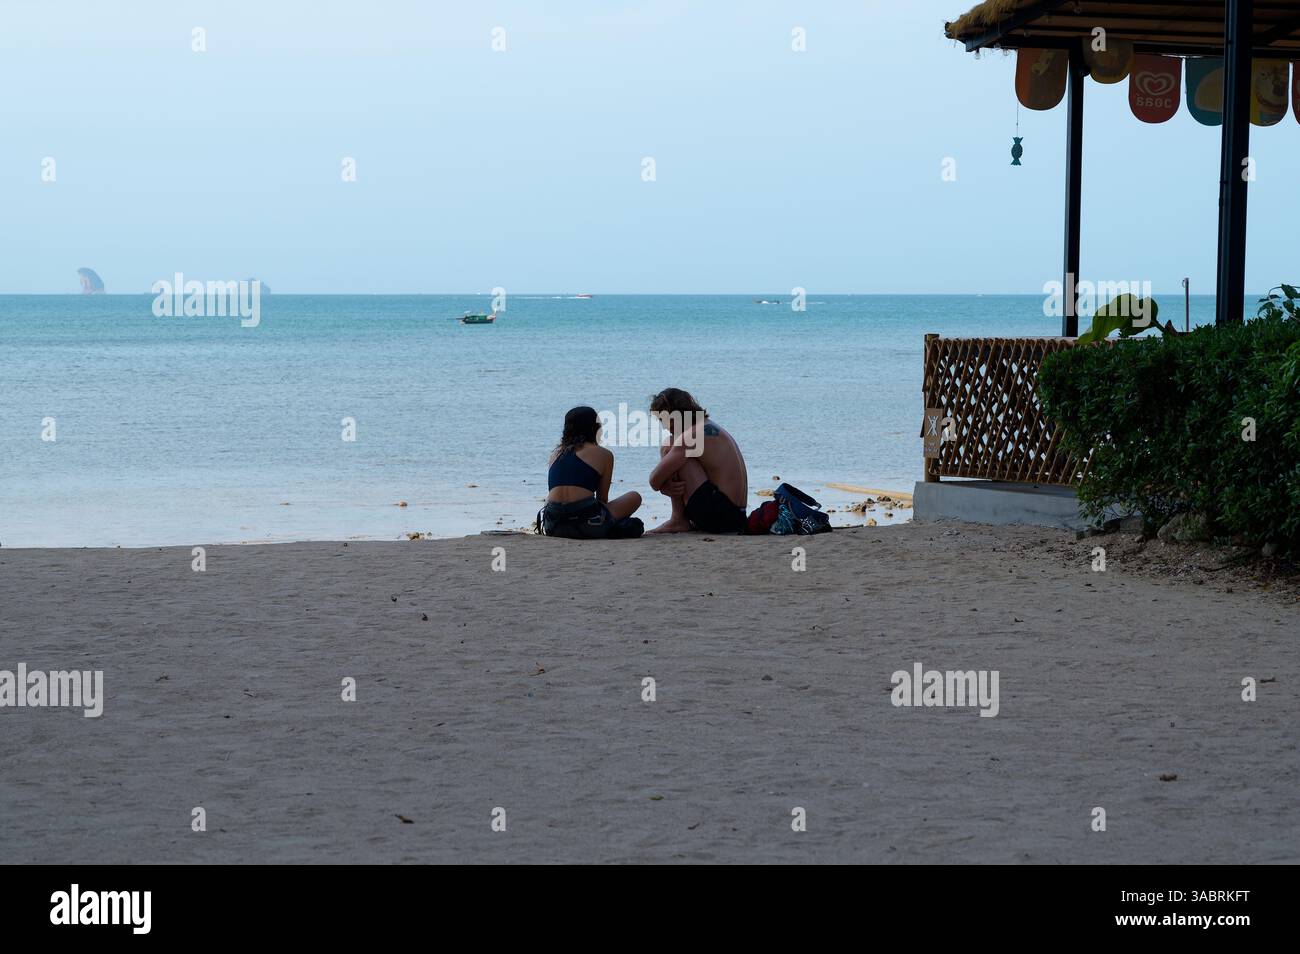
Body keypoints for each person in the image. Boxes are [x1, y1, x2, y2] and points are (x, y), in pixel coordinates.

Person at [646, 388, 748, 534]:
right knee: (676, 450)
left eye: (664, 420)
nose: (665, 427)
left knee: (669, 447)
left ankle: (678, 520)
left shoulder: (691, 437)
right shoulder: (709, 426)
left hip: (722, 518)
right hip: (738, 517)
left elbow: (654, 481)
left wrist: (664, 487)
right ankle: (679, 520)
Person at [537, 406, 643, 538]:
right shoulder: (604, 454)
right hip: (588, 525)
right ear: (594, 428)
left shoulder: (555, 454)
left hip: (553, 526)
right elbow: (602, 499)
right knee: (634, 497)